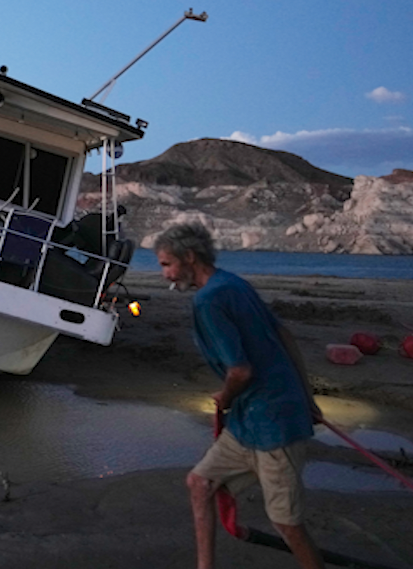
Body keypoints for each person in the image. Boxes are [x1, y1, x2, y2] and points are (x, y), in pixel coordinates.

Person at [155, 223, 324, 569]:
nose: (165, 274)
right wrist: (308, 399)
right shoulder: (233, 283)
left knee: (286, 524)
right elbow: (284, 335)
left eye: (166, 264)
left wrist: (226, 396)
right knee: (200, 483)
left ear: (189, 258)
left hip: (273, 423)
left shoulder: (208, 299)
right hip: (250, 421)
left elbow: (240, 371)